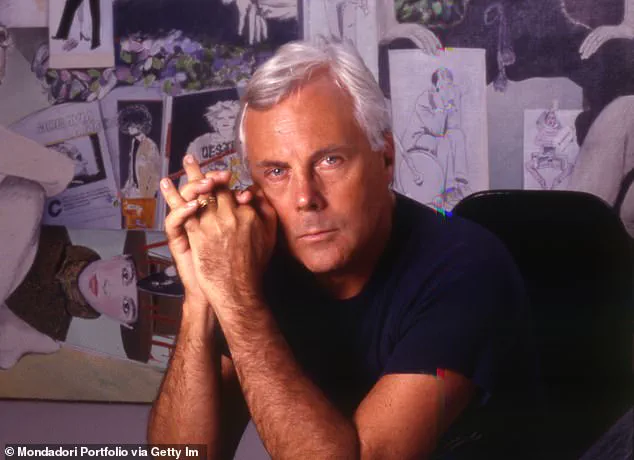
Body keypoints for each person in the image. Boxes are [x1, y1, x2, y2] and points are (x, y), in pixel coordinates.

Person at [148, 38, 542, 459]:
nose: (305, 197)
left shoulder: (468, 268)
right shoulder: (259, 267)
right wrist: (203, 292)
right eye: (277, 171)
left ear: (385, 158)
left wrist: (239, 302)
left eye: (329, 160)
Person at [118, 104, 161, 199]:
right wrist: (125, 190)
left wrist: (148, 196)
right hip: (132, 192)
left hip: (144, 195)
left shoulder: (150, 145)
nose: (129, 128)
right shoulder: (134, 142)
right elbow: (132, 172)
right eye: (128, 125)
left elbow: (156, 176)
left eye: (132, 125)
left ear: (141, 125)